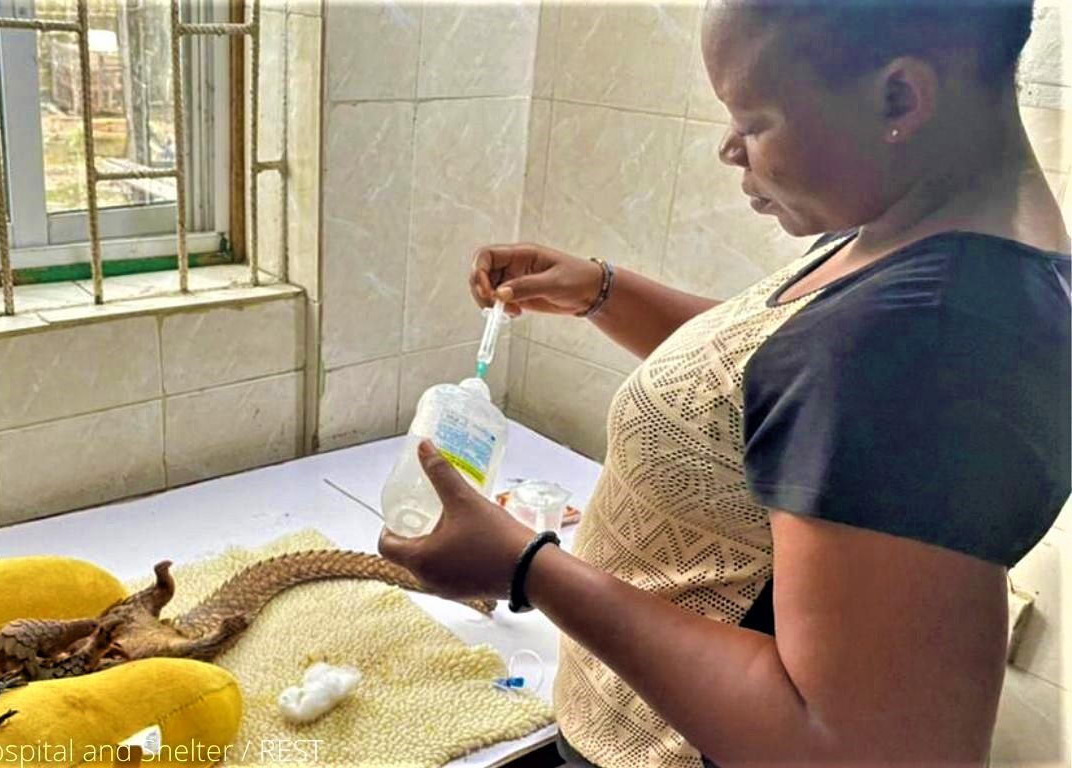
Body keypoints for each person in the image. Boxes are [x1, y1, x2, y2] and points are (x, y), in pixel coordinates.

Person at [377, 1, 1071, 765]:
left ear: (899, 98)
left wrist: (526, 567)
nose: (727, 148)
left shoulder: (923, 342)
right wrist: (602, 293)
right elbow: (773, 386)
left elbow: (851, 751)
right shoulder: (926, 248)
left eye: (754, 118)